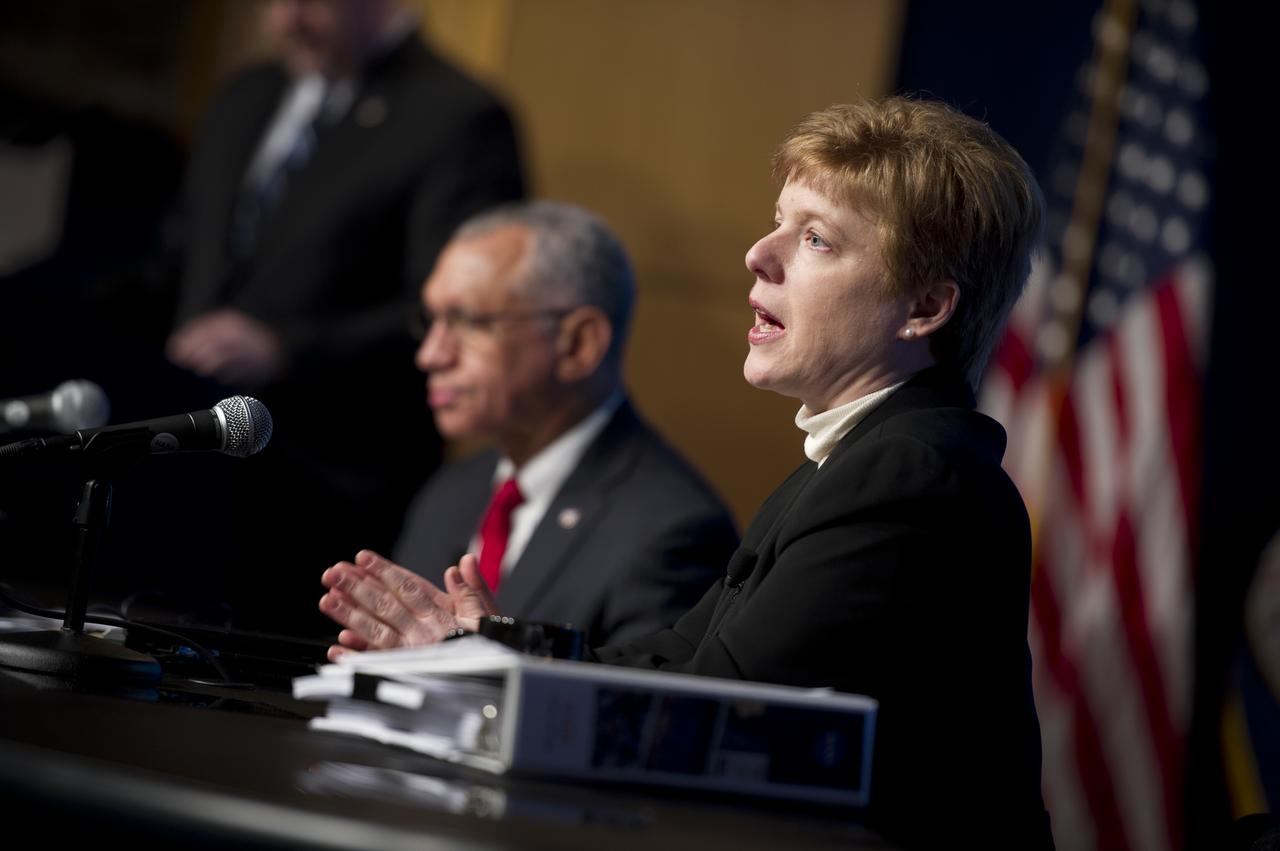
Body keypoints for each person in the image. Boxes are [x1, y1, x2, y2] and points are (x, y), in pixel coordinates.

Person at [317, 97, 1053, 847]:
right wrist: (489, 643)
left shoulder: (910, 475)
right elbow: (676, 656)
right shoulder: (853, 464)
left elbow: (711, 714)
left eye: (816, 239)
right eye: (778, 221)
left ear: (924, 306)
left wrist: (470, 660)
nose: (759, 254)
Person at [165, 0, 524, 632]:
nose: (284, 21)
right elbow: (177, 255)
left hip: (330, 489)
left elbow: (457, 312)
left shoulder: (457, 115)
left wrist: (285, 349)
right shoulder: (247, 94)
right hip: (190, 476)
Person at [380, 201, 735, 645]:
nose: (430, 354)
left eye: (467, 322)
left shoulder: (673, 532)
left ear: (578, 344)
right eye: (431, 321)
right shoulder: (450, 492)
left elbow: (628, 693)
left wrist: (478, 657)